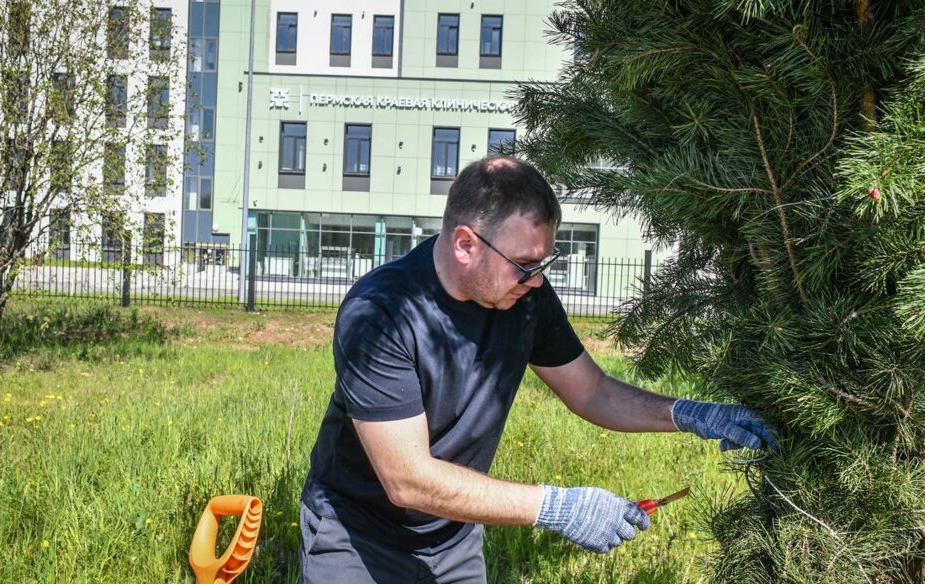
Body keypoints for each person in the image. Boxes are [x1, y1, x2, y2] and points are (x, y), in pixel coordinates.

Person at [300, 156, 776, 583]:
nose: (537, 279)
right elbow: (406, 478)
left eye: (544, 262)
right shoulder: (380, 313)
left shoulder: (526, 298)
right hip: (357, 538)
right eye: (524, 263)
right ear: (466, 243)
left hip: (453, 541)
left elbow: (591, 391)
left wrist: (690, 413)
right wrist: (558, 508)